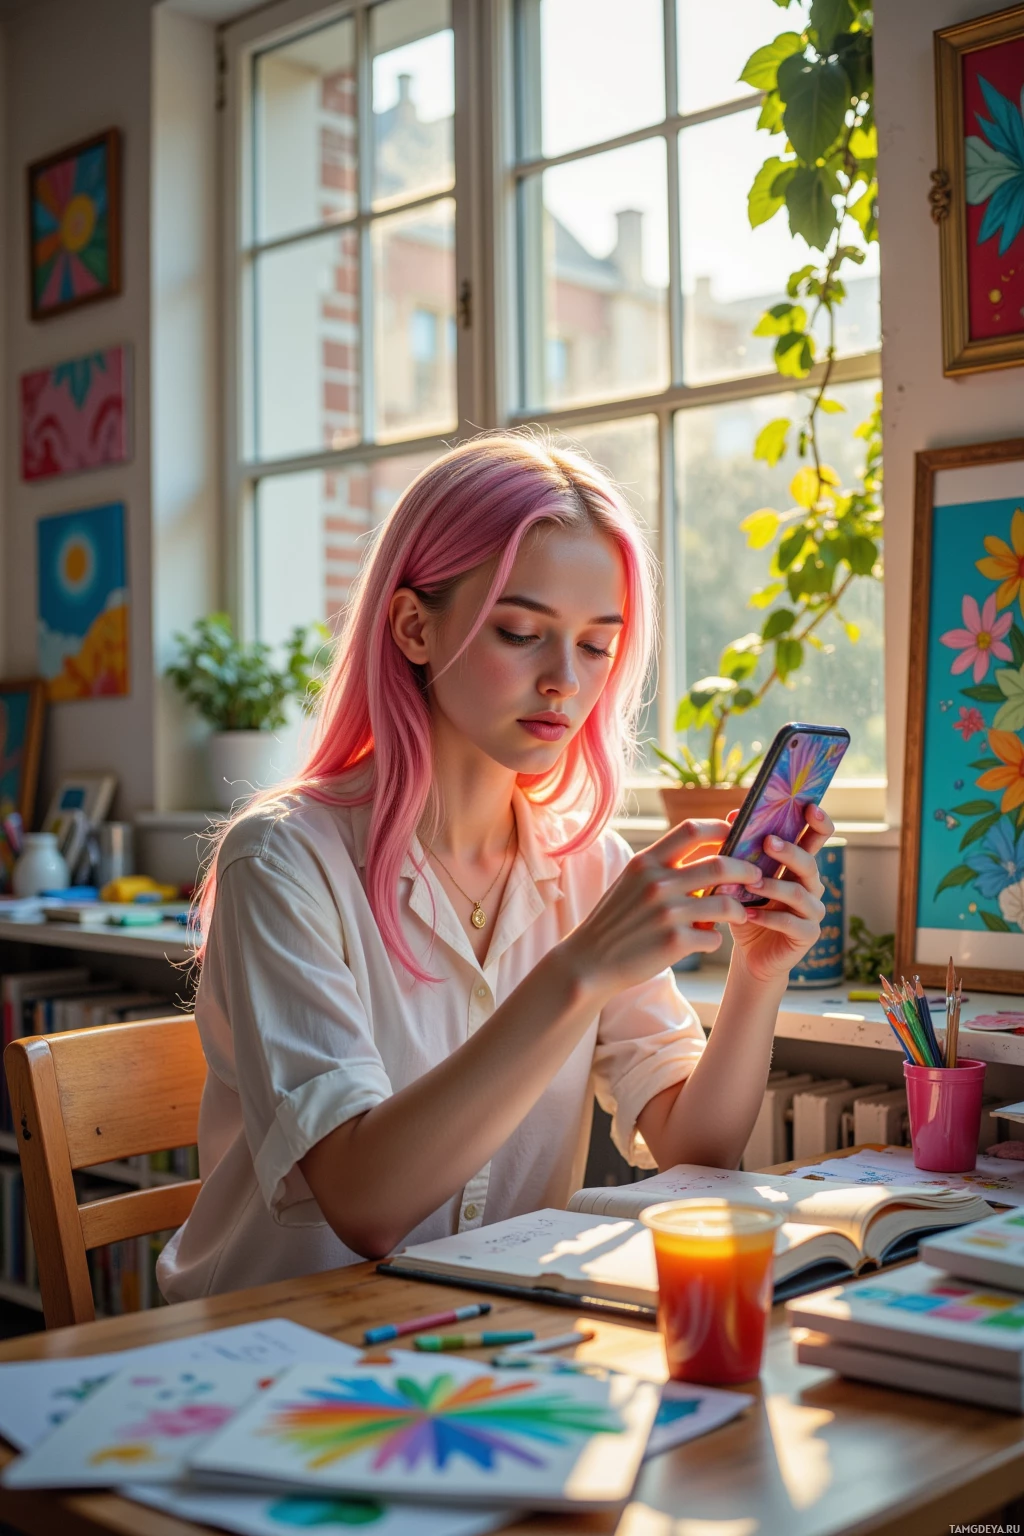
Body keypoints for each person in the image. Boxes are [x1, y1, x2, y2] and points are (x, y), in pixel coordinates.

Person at [158, 433, 832, 1302]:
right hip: (284, 1345)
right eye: (521, 632)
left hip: (486, 1340)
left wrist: (757, 974)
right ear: (413, 626)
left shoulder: (588, 865)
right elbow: (366, 1204)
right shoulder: (284, 859)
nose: (564, 681)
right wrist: (580, 971)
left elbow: (695, 1152)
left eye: (597, 647)